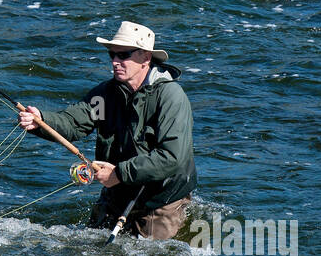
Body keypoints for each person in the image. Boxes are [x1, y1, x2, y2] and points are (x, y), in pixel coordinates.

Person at [17, 21, 196, 240]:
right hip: (118, 189)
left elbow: (171, 157)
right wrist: (42, 121)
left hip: (161, 197)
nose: (115, 62)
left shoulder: (170, 97)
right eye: (112, 55)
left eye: (124, 55)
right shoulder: (105, 94)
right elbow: (73, 122)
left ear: (145, 58)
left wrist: (119, 173)